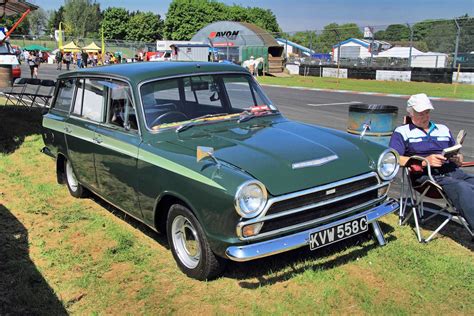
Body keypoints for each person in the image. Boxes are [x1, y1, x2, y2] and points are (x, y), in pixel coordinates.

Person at [389, 93, 474, 230]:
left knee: (466, 184)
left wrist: (458, 158)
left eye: (427, 112)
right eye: (420, 113)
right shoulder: (402, 132)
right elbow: (394, 157)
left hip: (452, 170)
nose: (425, 117)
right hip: (427, 177)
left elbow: (455, 150)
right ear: (411, 113)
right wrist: (424, 162)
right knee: (463, 188)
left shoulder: (443, 129)